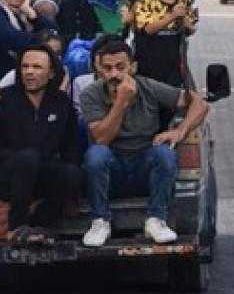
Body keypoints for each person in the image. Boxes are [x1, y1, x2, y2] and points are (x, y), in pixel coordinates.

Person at [80, 40, 210, 247]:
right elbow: (102, 138)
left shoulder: (147, 87)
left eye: (120, 67)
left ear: (132, 67)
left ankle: (156, 219)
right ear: (99, 70)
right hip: (112, 170)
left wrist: (180, 131)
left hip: (144, 166)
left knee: (164, 154)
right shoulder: (91, 94)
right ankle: (100, 221)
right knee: (96, 154)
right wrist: (121, 102)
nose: (114, 74)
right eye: (107, 68)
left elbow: (199, 104)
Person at [0, 45, 84, 243]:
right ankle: (16, 227)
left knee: (72, 174)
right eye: (25, 66)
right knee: (28, 158)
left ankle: (40, 225)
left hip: (40, 173)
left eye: (37, 67)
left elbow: (70, 148)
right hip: (5, 174)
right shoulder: (2, 99)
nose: (29, 72)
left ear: (51, 73)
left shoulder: (61, 103)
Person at [130, 0, 197, 88]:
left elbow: (191, 29)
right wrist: (172, 16)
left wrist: (186, 22)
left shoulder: (184, 1)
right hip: (146, 68)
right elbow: (147, 29)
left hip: (174, 69)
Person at [0, 30, 69, 92]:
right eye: (49, 52)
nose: (54, 57)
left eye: (58, 53)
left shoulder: (64, 74)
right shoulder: (16, 75)